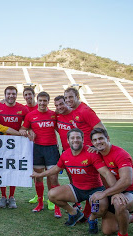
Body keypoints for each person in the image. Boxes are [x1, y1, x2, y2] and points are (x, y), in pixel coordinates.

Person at [31, 128, 117, 228]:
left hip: (95, 190)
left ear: (82, 139)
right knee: (52, 194)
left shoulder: (91, 153)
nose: (75, 140)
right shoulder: (65, 154)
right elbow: (55, 169)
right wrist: (39, 175)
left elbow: (106, 173)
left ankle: (92, 218)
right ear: (68, 140)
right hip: (76, 189)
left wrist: (116, 192)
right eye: (72, 138)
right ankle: (74, 213)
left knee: (100, 208)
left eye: (78, 137)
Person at [89, 128, 133, 236]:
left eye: (101, 138)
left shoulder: (120, 154)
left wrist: (106, 193)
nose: (98, 142)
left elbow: (127, 181)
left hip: (132, 193)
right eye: (95, 140)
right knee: (107, 230)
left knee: (119, 203)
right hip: (113, 192)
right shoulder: (97, 154)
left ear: (108, 138)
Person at [64, 86, 106, 220]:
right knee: (88, 184)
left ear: (77, 97)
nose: (68, 100)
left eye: (71, 97)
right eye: (66, 98)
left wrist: (98, 148)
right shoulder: (75, 111)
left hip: (91, 154)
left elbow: (102, 129)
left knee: (94, 184)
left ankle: (94, 213)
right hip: (84, 153)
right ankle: (88, 213)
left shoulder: (85, 110)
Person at [0, 86, 29, 209]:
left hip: (16, 144)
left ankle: (12, 196)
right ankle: (3, 196)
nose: (11, 96)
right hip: (0, 144)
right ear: (5, 95)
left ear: (16, 95)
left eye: (13, 94)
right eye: (9, 93)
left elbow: (29, 123)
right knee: (1, 169)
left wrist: (23, 128)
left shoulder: (22, 108)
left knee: (13, 169)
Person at [20, 91, 62, 218]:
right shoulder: (31, 115)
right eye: (40, 100)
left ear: (48, 102)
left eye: (45, 101)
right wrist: (28, 132)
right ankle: (40, 203)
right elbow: (22, 129)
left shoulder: (54, 115)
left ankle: (56, 206)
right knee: (38, 177)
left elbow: (60, 130)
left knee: (53, 178)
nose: (42, 103)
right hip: (37, 149)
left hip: (51, 150)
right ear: (37, 101)